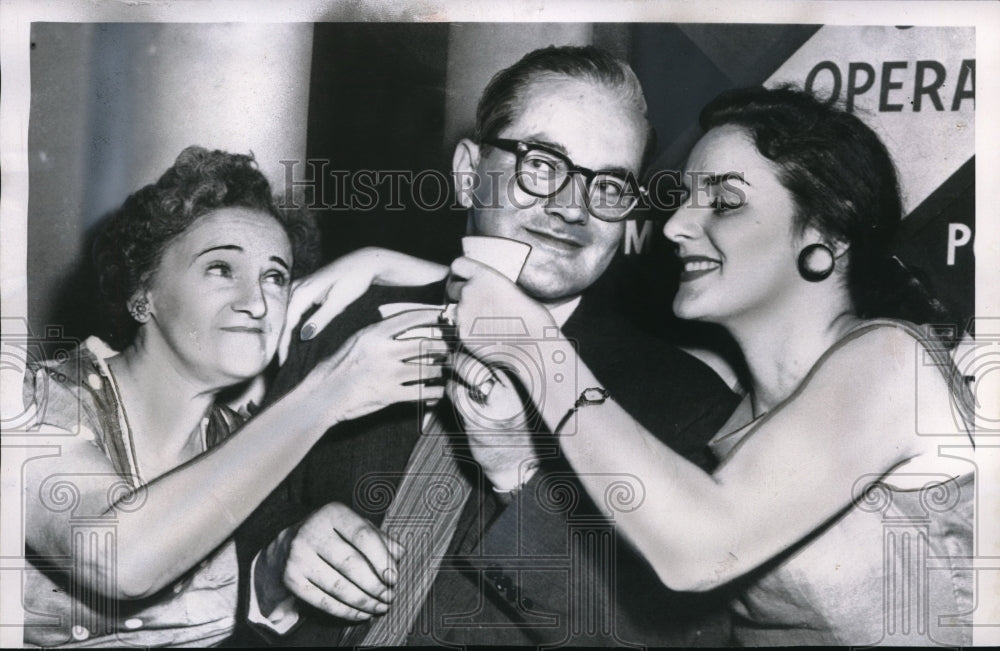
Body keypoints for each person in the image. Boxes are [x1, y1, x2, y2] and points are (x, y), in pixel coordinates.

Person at [234, 46, 740, 646]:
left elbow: (660, 639)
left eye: (608, 186)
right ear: (470, 172)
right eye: (543, 164)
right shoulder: (340, 322)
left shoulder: (684, 403)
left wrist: (519, 477)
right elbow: (222, 520)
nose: (571, 207)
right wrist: (272, 567)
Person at [446, 85, 975, 646]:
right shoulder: (731, 423)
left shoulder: (893, 361)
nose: (675, 226)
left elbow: (699, 550)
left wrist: (534, 347)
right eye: (683, 199)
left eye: (723, 203)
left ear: (828, 231)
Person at [21, 146, 448, 647]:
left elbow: (520, 312)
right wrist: (328, 394)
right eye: (221, 268)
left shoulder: (249, 439)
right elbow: (118, 557)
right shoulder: (29, 401)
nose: (257, 302)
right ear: (144, 292)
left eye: (276, 277)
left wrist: (375, 261)